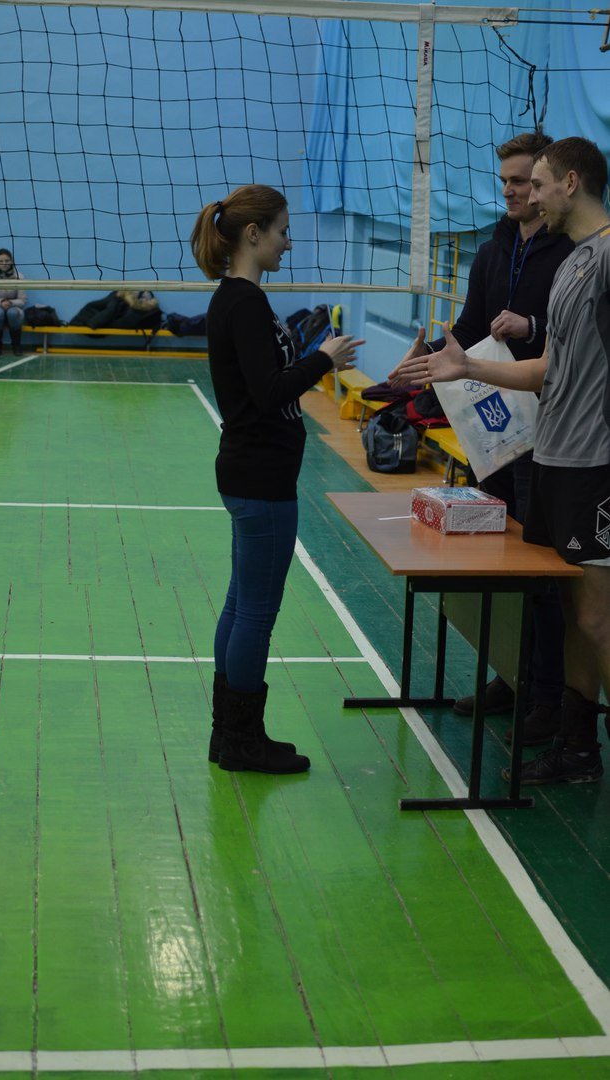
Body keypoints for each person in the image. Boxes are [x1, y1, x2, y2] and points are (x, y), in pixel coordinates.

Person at [390, 136, 610, 786]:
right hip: (552, 458)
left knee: (597, 618)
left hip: (596, 464)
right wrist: (463, 366)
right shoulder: (573, 262)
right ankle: (577, 747)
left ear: (570, 182)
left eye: (536, 183)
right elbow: (548, 369)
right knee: (575, 615)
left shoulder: (604, 258)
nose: (527, 195)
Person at [190, 184, 364, 774]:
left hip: (254, 471)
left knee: (242, 604)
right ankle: (241, 740)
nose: (288, 243)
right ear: (253, 234)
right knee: (255, 612)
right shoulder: (242, 303)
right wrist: (323, 359)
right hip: (260, 476)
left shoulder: (241, 299)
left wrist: (313, 359)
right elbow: (268, 393)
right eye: (283, 232)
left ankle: (229, 735)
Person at [0, 248, 27, 357]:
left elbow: (22, 301)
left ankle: (16, 345)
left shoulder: (19, 277)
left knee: (12, 313)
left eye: (7, 261)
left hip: (13, 308)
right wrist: (1, 302)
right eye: (1, 261)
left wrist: (10, 303)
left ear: (11, 261)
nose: (4, 263)